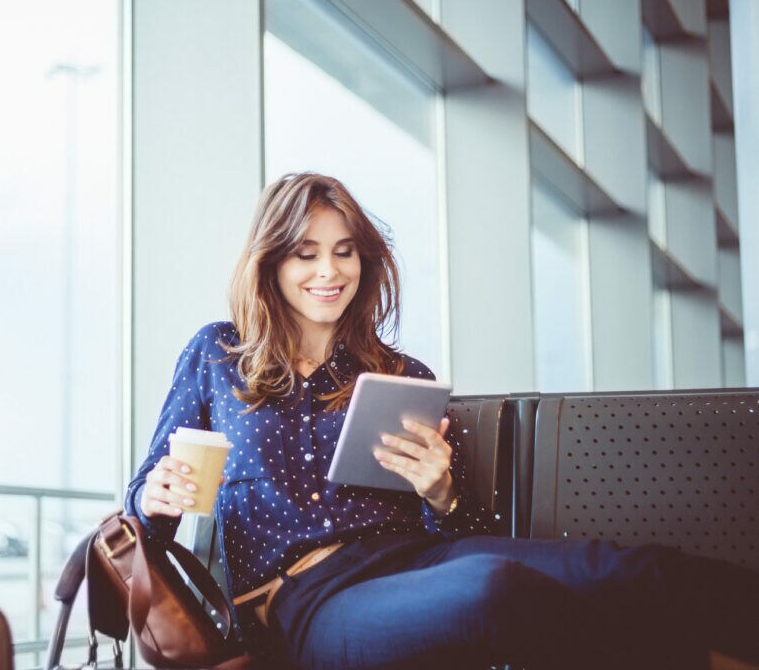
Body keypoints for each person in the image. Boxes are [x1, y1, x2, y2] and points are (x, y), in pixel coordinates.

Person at [125, 172, 758, 669]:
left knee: (628, 568)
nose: (329, 272)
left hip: (415, 557)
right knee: (492, 588)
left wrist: (440, 489)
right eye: (306, 254)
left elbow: (460, 527)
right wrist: (155, 496)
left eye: (344, 253)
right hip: (302, 601)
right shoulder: (218, 353)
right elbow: (146, 501)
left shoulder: (399, 373)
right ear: (272, 263)